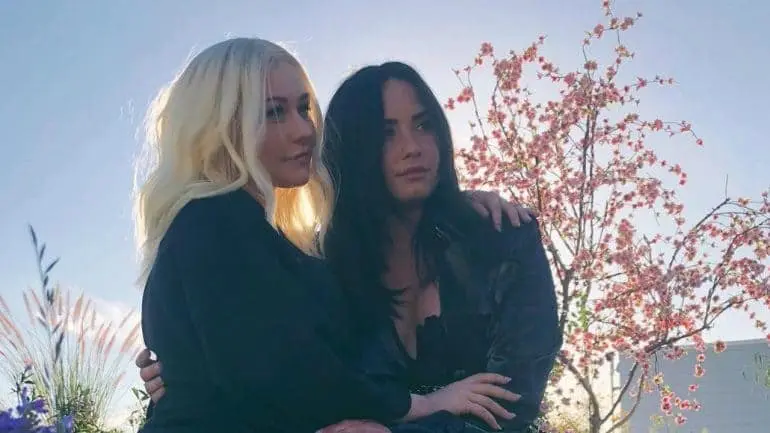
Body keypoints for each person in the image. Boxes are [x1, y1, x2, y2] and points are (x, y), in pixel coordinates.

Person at [134, 37, 530, 433]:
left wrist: (455, 204)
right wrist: (421, 404)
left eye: (303, 108)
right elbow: (283, 373)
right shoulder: (215, 220)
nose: (304, 130)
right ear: (221, 124)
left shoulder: (256, 236)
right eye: (274, 112)